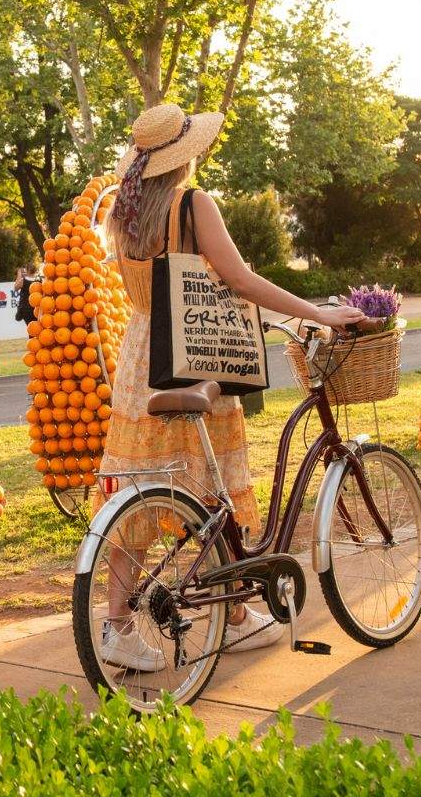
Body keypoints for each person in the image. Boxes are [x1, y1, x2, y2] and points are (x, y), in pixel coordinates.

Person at [96, 102, 365, 673]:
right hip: (197, 352)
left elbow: (140, 294)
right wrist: (314, 312)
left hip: (140, 356)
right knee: (213, 486)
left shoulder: (124, 213)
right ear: (185, 155)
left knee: (145, 492)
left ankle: (118, 623)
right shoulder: (193, 203)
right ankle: (238, 615)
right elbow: (238, 278)